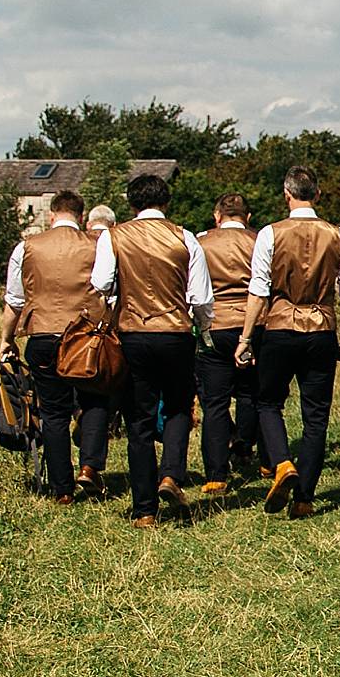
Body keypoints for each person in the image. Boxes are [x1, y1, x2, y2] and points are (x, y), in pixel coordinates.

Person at [236, 162, 340, 518]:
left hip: (279, 326)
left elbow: (258, 291)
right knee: (316, 416)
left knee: (268, 401)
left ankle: (282, 465)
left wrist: (246, 337)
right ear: (317, 194)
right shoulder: (338, 234)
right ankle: (304, 497)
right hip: (321, 328)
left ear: (286, 194)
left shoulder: (270, 234)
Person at [0, 177, 116, 503]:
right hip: (86, 336)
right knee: (94, 400)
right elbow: (111, 291)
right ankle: (89, 467)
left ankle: (61, 489)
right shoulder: (97, 244)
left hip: (44, 335)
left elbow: (14, 301)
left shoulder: (27, 247)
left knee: (53, 412)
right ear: (80, 216)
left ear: (51, 215)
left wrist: (6, 339)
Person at [109, 164, 211, 530]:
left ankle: (144, 510)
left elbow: (102, 283)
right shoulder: (185, 237)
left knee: (138, 417)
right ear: (167, 201)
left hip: (133, 332)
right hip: (176, 332)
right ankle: (171, 473)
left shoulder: (114, 236)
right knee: (180, 404)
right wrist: (204, 326)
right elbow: (200, 296)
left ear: (132, 203)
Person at [195, 191, 263, 499]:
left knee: (215, 402)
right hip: (253, 323)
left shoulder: (200, 242)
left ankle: (216, 474)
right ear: (247, 217)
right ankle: (246, 444)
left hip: (215, 323)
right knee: (250, 392)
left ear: (216, 216)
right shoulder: (259, 240)